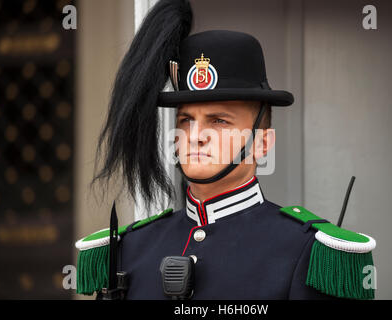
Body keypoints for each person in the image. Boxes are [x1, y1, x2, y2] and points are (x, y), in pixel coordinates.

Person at [75, 0, 376, 300]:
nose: (195, 136)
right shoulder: (132, 248)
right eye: (185, 120)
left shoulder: (306, 252)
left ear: (262, 143)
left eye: (218, 121)